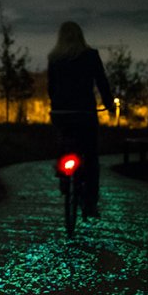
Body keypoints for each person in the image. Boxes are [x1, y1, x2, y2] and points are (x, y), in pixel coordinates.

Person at [47, 21, 115, 218]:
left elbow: (51, 87)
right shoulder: (90, 56)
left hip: (61, 113)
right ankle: (90, 203)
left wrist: (57, 105)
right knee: (91, 156)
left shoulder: (54, 58)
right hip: (84, 112)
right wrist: (109, 104)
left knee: (63, 139)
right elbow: (101, 82)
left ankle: (62, 174)